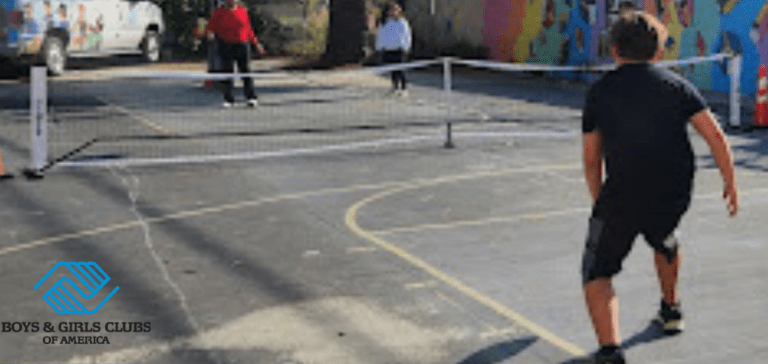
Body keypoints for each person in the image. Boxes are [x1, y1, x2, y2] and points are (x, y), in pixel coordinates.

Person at [580, 11, 738, 364]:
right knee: (665, 239)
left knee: (596, 273)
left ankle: (610, 351)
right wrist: (730, 181)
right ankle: (671, 309)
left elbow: (591, 158)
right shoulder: (677, 86)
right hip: (671, 195)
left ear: (614, 49)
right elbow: (714, 135)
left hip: (622, 196)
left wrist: (599, 200)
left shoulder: (600, 92)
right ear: (658, 51)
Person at [202, 0, 266, 108]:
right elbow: (211, 26)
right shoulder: (219, 12)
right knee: (227, 72)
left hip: (242, 44)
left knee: (245, 70)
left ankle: (251, 97)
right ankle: (228, 99)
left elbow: (248, 29)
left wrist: (256, 44)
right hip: (226, 44)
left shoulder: (242, 11)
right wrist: (209, 34)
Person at [375, 2, 412, 97]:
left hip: (399, 49)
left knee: (400, 70)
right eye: (392, 10)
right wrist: (379, 46)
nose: (393, 13)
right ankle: (395, 87)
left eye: (395, 10)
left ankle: (404, 87)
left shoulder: (402, 22)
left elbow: (407, 35)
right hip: (388, 49)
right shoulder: (385, 23)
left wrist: (406, 46)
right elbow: (381, 35)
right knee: (392, 70)